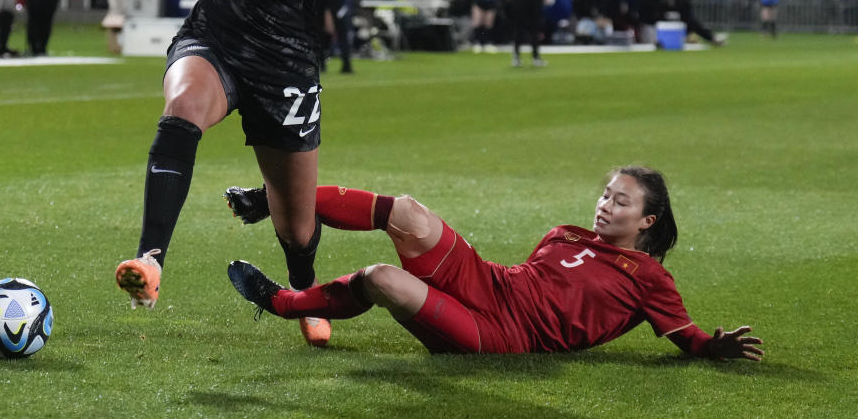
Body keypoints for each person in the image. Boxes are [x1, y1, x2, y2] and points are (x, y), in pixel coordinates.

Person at [49, 0, 403, 347]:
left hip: (284, 67)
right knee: (183, 107)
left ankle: (304, 293)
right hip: (215, 39)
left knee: (296, 225)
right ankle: (150, 260)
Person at [225, 166, 764, 361]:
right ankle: (266, 200)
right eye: (605, 195)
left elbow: (686, 335)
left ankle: (282, 303)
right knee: (407, 211)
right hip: (491, 284)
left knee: (381, 279)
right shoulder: (566, 234)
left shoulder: (650, 279)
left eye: (621, 202)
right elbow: (534, 282)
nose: (605, 205)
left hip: (502, 334)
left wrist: (713, 347)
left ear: (647, 223)